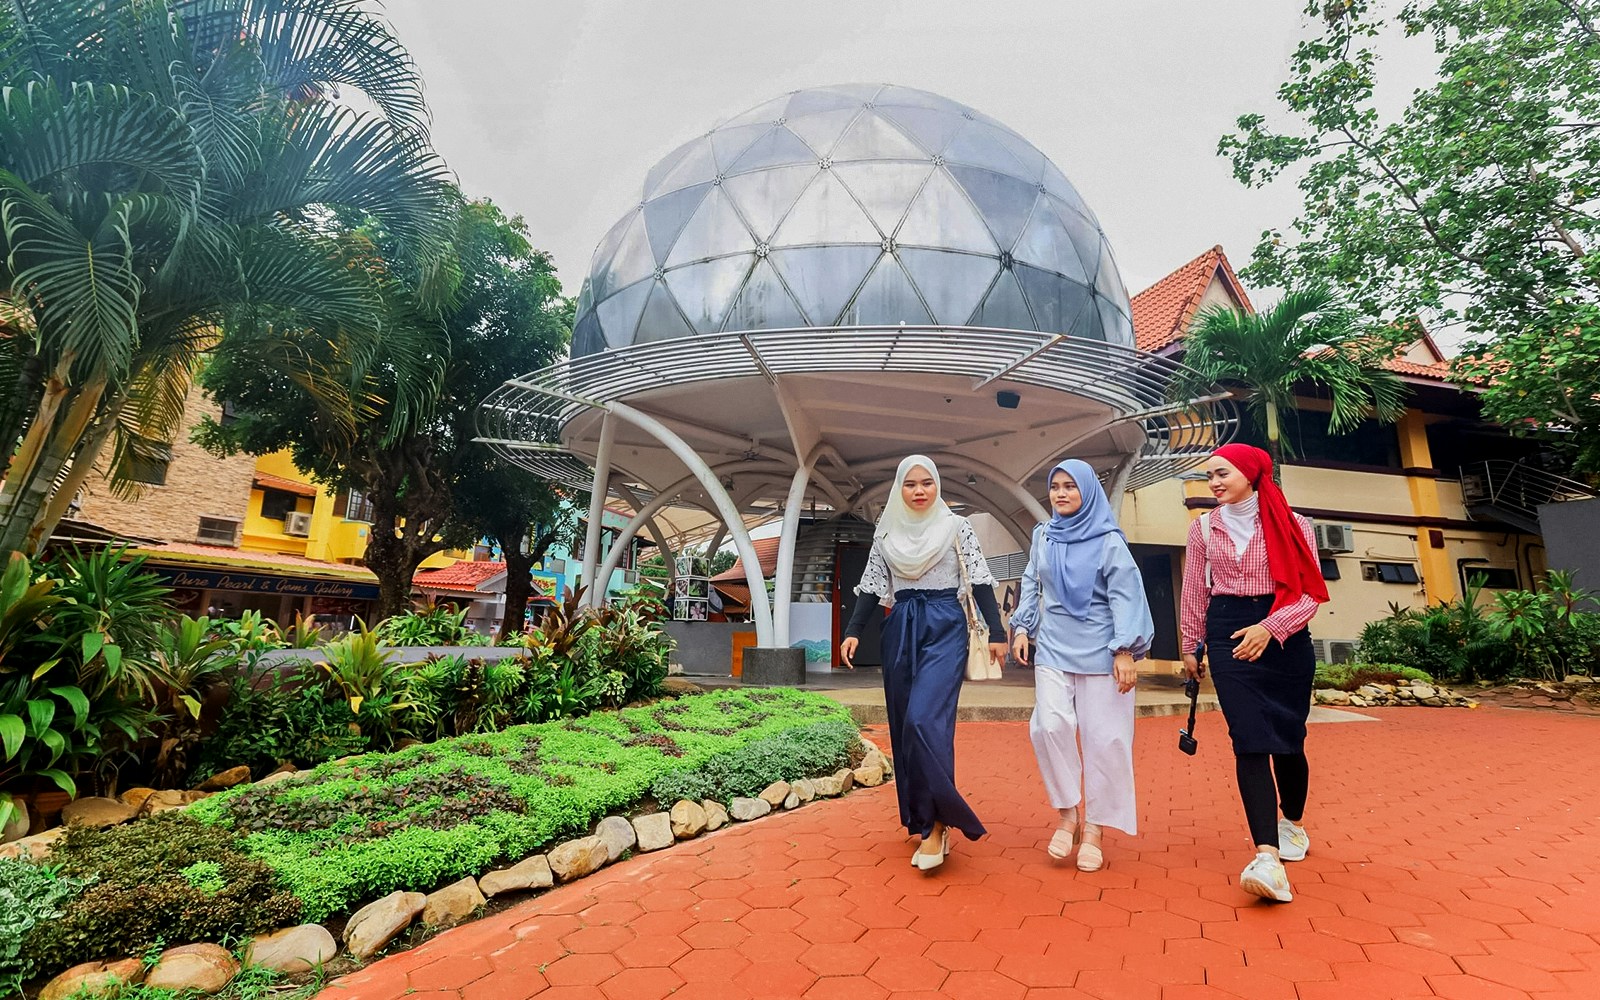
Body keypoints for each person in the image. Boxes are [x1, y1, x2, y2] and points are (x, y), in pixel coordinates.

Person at [840, 455, 1007, 871]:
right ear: (900, 489)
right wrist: (854, 629)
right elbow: (872, 586)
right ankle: (923, 818)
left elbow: (981, 579)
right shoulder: (887, 532)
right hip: (900, 626)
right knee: (904, 725)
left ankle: (937, 825)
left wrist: (998, 633)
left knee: (923, 721)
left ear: (937, 487)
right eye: (910, 484)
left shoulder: (957, 528)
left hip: (945, 626)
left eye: (926, 483)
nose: (919, 491)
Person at [1179, 443, 1328, 903]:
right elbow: (1193, 590)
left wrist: (1270, 627)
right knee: (1249, 737)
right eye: (1209, 477)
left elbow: (1309, 594)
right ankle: (1267, 856)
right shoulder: (1203, 527)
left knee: (1288, 739)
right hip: (1227, 632)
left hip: (1283, 631)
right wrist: (1190, 644)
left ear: (1250, 472)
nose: (1215, 483)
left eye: (1222, 473)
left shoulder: (1295, 524)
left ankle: (1293, 824)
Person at [1010, 459, 1154, 872]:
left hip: (1103, 651)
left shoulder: (1108, 540)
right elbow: (1030, 582)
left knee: (1106, 740)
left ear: (1088, 491)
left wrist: (1124, 649)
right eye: (1055, 486)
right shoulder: (1044, 536)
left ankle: (1094, 828)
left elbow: (1126, 594)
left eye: (1070, 486)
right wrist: (1022, 627)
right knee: (1048, 725)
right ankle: (1068, 813)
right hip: (1053, 647)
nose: (1060, 493)